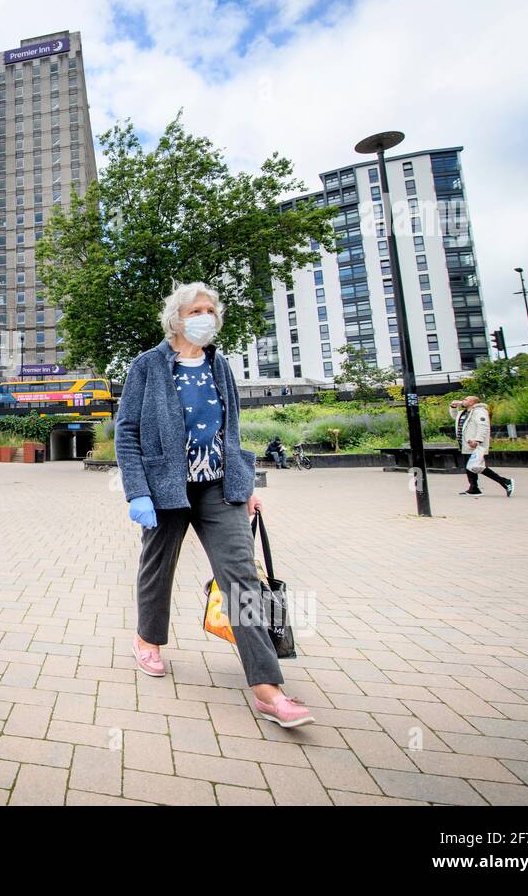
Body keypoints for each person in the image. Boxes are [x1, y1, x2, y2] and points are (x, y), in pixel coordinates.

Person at [115, 282, 313, 728]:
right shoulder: (147, 366)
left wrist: (245, 485)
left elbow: (233, 429)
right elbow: (127, 430)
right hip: (166, 487)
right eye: (197, 310)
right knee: (157, 566)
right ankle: (147, 639)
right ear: (177, 317)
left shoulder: (218, 364)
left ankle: (267, 687)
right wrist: (137, 490)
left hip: (219, 485)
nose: (207, 316)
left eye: (211, 309)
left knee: (241, 575)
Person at [449, 394, 514, 498]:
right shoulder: (464, 413)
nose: (463, 401)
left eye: (465, 399)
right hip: (466, 445)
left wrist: (477, 440)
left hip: (474, 445)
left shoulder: (479, 412)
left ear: (472, 402)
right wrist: (453, 407)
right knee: (470, 467)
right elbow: (455, 417)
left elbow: (483, 427)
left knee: (476, 466)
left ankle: (505, 482)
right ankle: (474, 488)